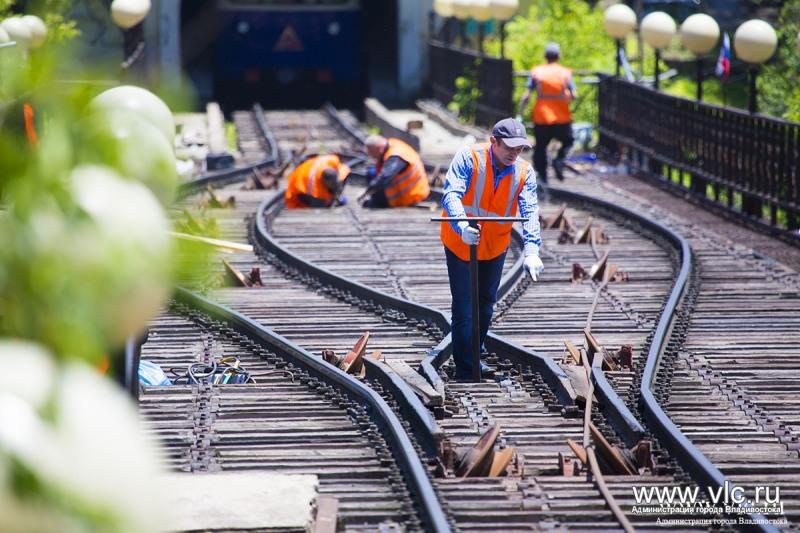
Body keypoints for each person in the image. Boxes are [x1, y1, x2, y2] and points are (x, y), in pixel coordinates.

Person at [440, 118, 544, 380]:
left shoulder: (524, 172)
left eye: (519, 149)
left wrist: (532, 249)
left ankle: (474, 354)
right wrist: (461, 225)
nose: (514, 154)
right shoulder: (470, 158)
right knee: (465, 304)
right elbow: (451, 194)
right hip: (461, 241)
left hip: (495, 245)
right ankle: (467, 368)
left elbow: (530, 210)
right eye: (509, 147)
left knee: (486, 304)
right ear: (493, 142)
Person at [517, 42, 576, 183]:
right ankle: (559, 160)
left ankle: (543, 177)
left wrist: (520, 113)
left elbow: (526, 96)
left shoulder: (537, 72)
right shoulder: (565, 73)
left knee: (541, 147)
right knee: (568, 142)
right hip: (562, 117)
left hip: (542, 117)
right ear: (558, 56)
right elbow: (574, 95)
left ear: (545, 56)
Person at [361, 134, 429, 207]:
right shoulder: (391, 144)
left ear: (379, 148)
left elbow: (385, 177)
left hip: (409, 196)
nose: (372, 157)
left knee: (372, 175)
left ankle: (377, 203)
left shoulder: (396, 156)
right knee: (372, 171)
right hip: (411, 192)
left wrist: (367, 191)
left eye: (372, 153)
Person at [285, 154, 350, 209]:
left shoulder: (333, 161)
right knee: (321, 206)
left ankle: (335, 197)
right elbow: (319, 205)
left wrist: (337, 194)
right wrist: (329, 202)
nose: (335, 185)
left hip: (308, 170)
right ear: (324, 182)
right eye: (332, 184)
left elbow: (342, 174)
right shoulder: (314, 188)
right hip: (298, 189)